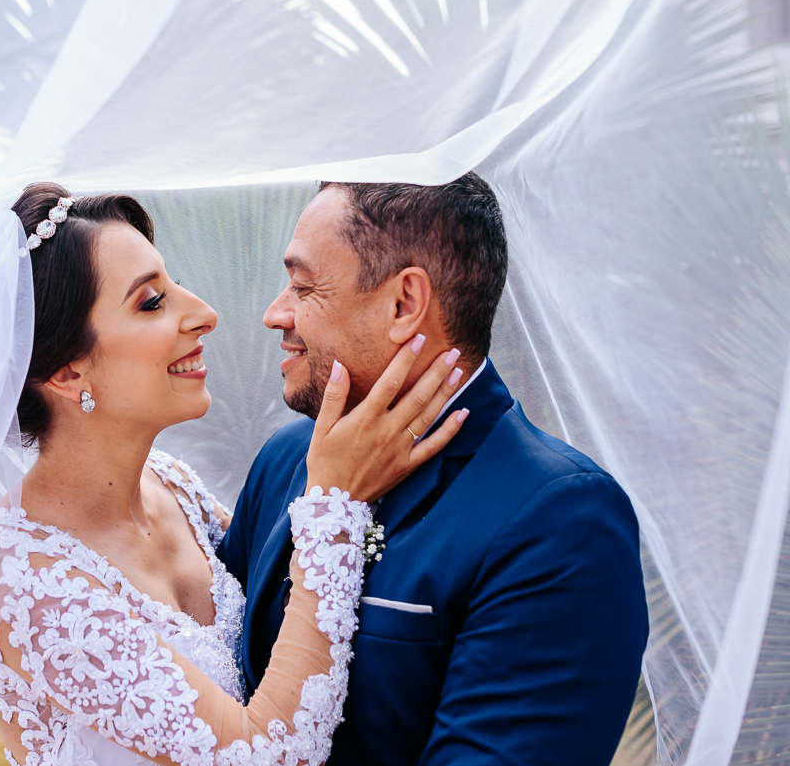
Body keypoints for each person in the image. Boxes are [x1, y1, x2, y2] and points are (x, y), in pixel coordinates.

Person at [0, 182, 468, 766]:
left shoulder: (174, 488)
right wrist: (335, 503)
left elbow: (278, 627)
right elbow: (264, 754)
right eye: (152, 302)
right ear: (68, 374)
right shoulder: (13, 573)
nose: (204, 313)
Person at [218, 176, 650, 766]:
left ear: (403, 304)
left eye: (303, 286)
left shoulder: (562, 520)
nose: (275, 314)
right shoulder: (287, 459)